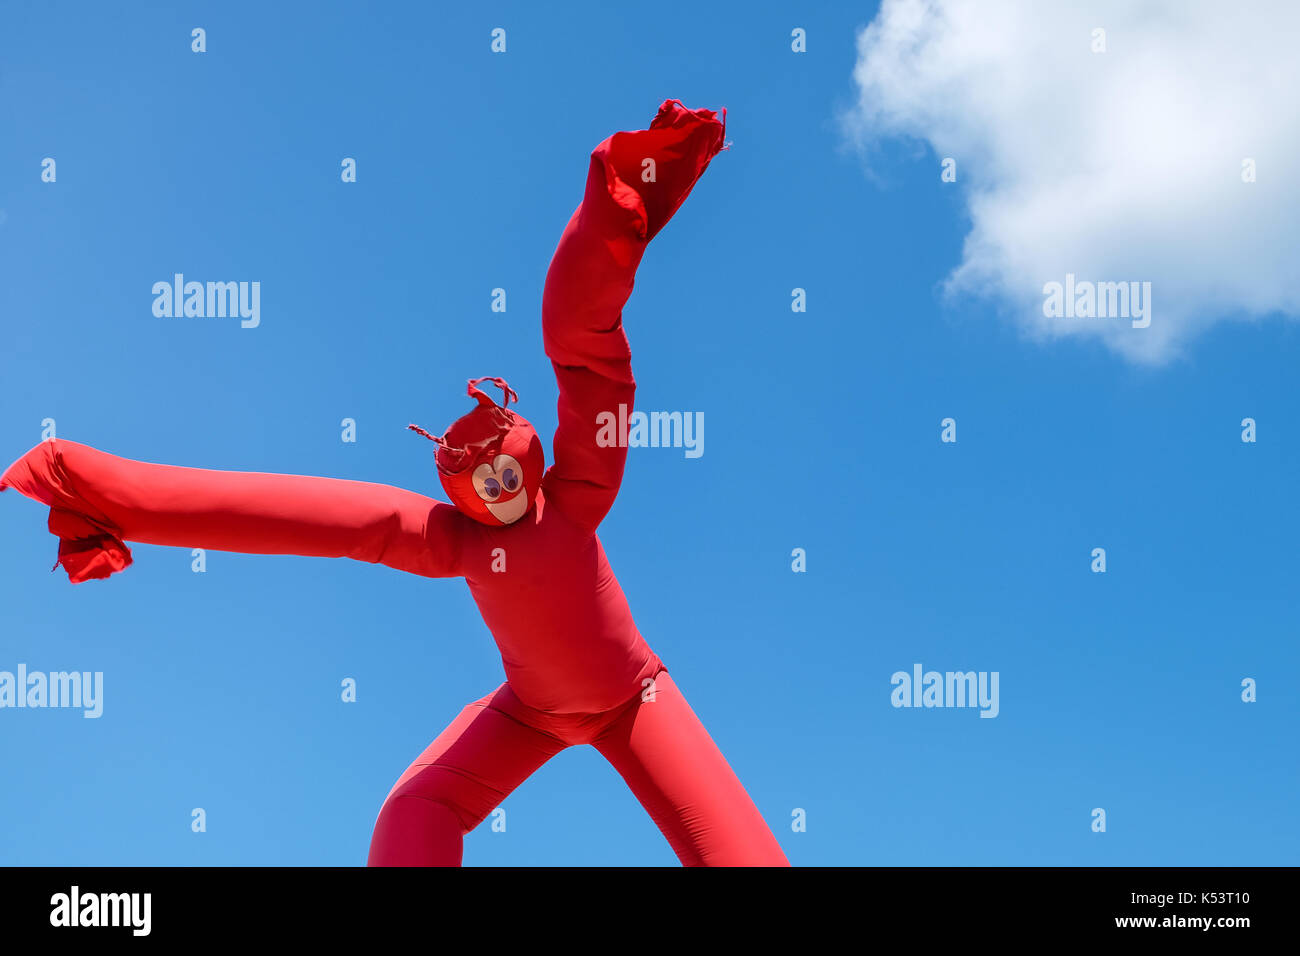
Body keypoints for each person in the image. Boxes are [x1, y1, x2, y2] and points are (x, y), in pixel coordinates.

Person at [1, 100, 789, 867]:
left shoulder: (575, 497)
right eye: (485, 480)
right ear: (461, 492)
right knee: (416, 809)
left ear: (533, 458)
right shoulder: (450, 540)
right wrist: (97, 490)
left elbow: (588, 362)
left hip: (635, 696)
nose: (503, 485)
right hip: (531, 711)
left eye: (510, 468)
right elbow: (306, 518)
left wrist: (621, 206)